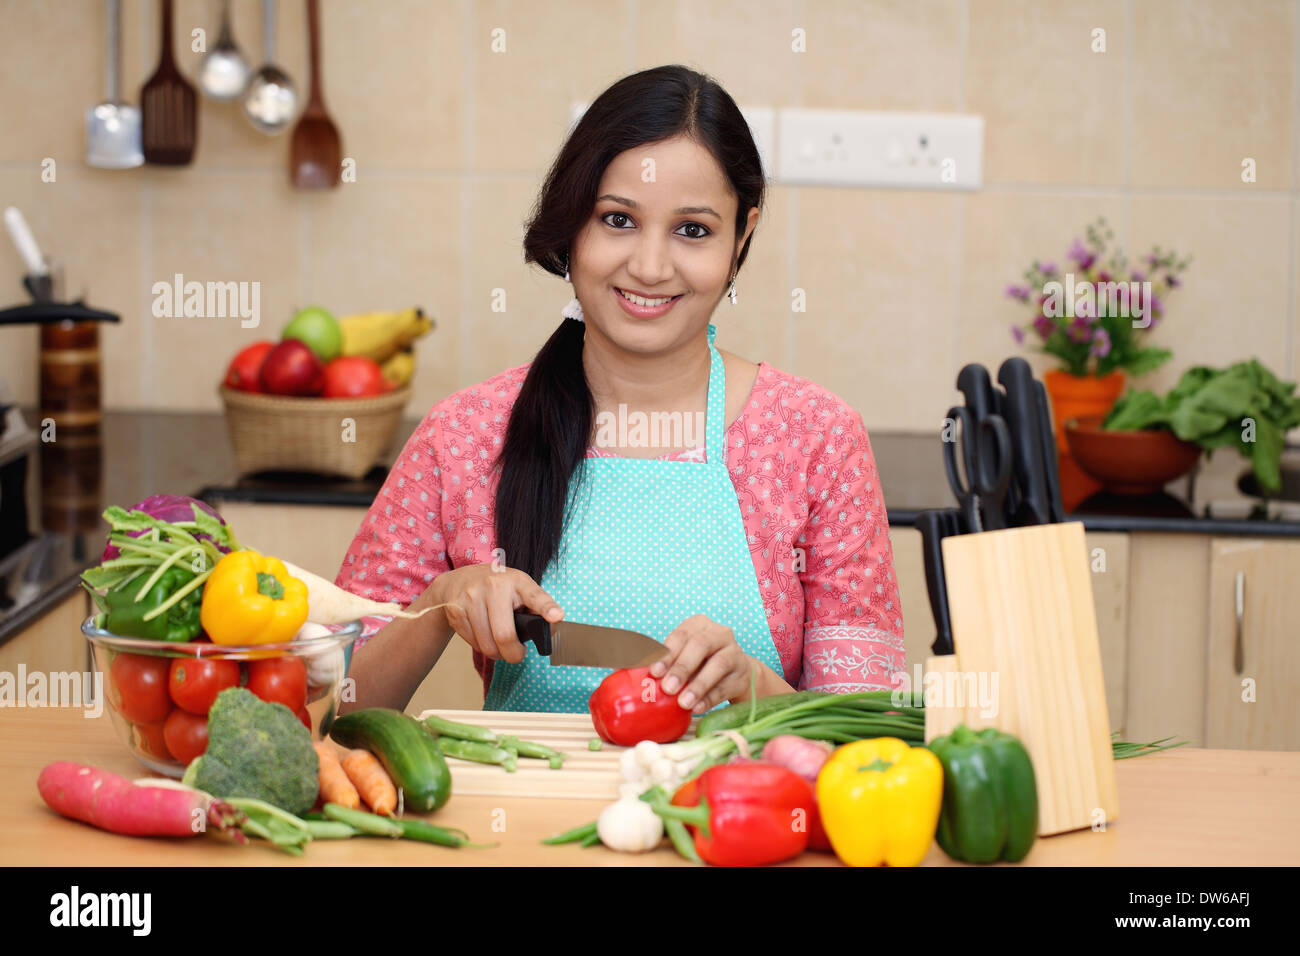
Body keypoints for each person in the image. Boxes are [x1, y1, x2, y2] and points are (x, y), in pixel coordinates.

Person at [335, 65, 904, 715]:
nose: (651, 266)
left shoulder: (816, 438)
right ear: (572, 224)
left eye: (693, 229)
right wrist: (437, 605)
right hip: (529, 817)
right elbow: (329, 709)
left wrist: (753, 687)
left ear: (741, 235)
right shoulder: (464, 434)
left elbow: (872, 741)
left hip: (740, 816)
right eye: (617, 220)